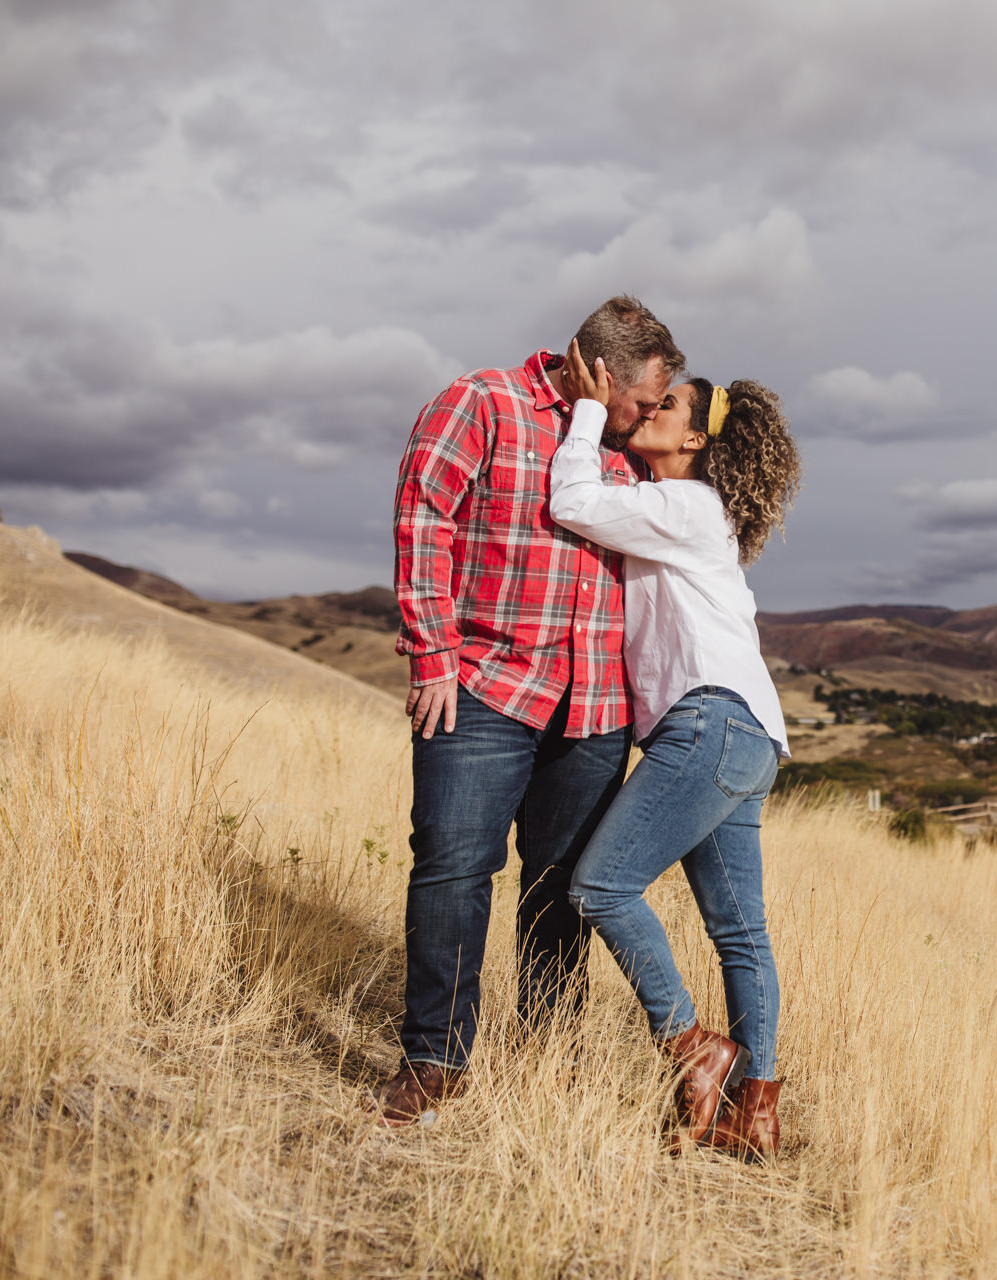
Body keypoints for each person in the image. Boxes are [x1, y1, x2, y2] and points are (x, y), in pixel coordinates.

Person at [375, 297, 684, 1128]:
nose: (651, 416)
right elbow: (422, 516)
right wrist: (433, 655)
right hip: (483, 688)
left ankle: (549, 1061)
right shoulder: (481, 402)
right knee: (452, 867)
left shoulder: (629, 453)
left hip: (595, 711)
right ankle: (434, 1061)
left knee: (562, 892)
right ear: (603, 374)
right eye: (645, 400)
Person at [547, 341, 800, 1161]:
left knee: (599, 886)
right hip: (749, 733)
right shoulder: (688, 510)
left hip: (710, 723)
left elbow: (573, 502)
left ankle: (691, 1048)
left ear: (695, 441)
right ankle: (751, 1114)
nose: (649, 412)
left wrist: (589, 411)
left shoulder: (684, 506)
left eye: (668, 408)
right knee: (740, 934)